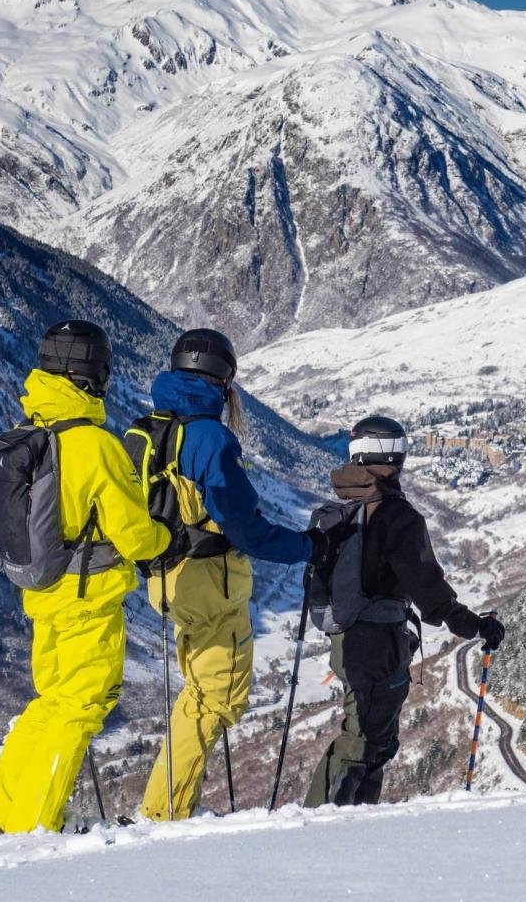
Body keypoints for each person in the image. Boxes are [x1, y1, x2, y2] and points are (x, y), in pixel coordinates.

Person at [129, 328, 331, 822]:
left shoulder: (144, 430)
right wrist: (308, 547)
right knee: (215, 700)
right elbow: (246, 529)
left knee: (199, 693)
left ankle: (168, 805)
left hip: (165, 579)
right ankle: (164, 813)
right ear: (223, 381)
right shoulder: (210, 438)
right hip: (210, 583)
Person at [0, 321, 174, 834]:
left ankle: (4, 814)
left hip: (45, 596)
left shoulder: (34, 433)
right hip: (88, 602)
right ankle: (33, 826)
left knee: (49, 706)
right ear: (96, 374)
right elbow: (135, 536)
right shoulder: (94, 445)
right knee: (79, 711)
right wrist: (166, 537)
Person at [304, 415, 505, 808]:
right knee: (365, 741)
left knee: (370, 737)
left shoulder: (338, 507)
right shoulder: (396, 515)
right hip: (378, 642)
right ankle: (318, 821)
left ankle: (353, 819)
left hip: (345, 640)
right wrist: (476, 626)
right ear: (395, 455)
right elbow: (429, 590)